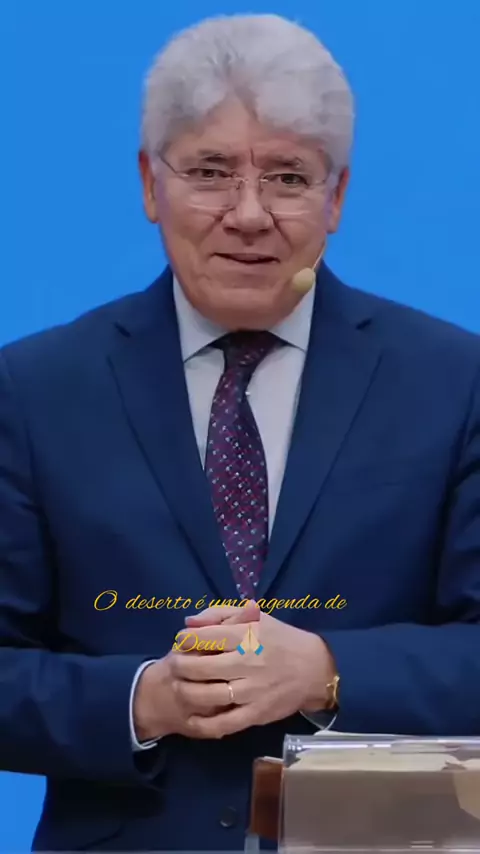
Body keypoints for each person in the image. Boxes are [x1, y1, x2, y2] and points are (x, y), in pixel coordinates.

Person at [1, 11, 480, 853]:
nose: (249, 214)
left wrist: (328, 670)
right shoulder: (35, 389)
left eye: (289, 177)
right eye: (211, 172)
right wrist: (144, 699)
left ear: (337, 197)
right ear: (150, 184)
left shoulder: (455, 380)